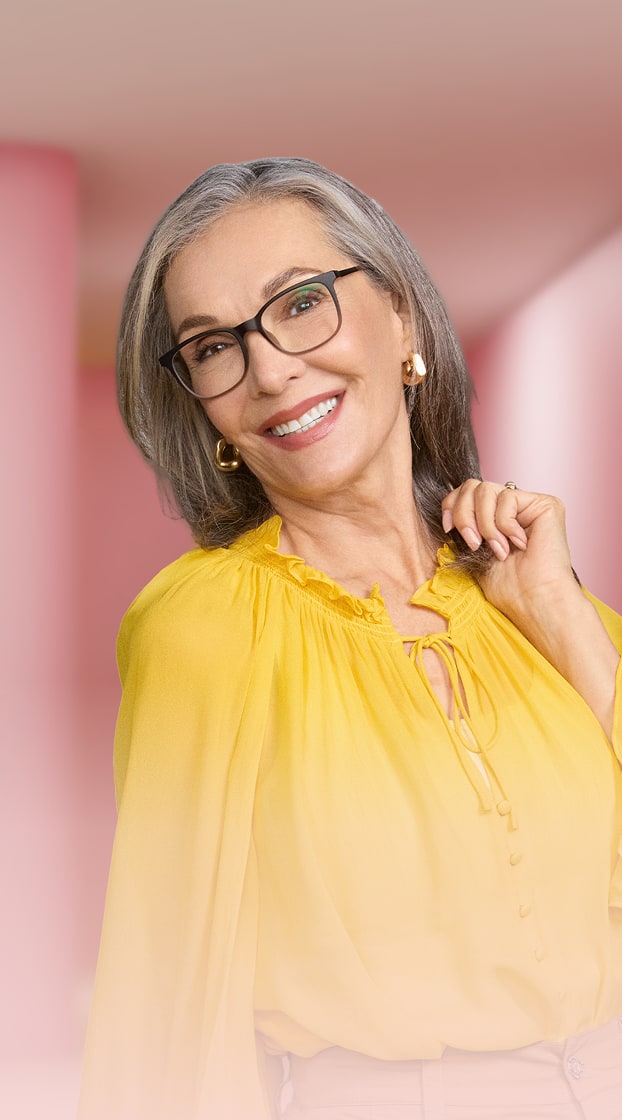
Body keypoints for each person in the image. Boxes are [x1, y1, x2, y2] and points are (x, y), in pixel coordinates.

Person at [78, 157, 622, 1120]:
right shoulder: (203, 626)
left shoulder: (543, 605)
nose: (271, 369)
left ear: (402, 317)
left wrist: (568, 623)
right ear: (201, 403)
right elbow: (168, 999)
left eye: (301, 304)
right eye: (213, 347)